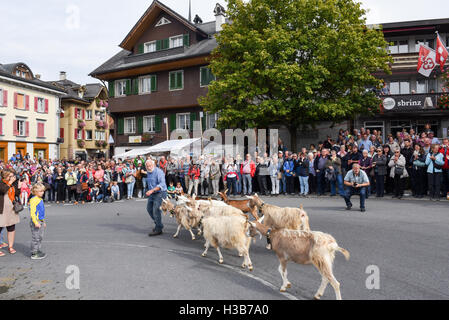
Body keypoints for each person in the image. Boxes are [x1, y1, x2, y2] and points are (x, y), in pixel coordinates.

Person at [0, 169, 20, 256]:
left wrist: (18, 186)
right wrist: (10, 182)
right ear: (6, 176)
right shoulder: (1, 183)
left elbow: (16, 194)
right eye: (11, 176)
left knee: (11, 227)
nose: (13, 177)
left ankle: (11, 246)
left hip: (11, 208)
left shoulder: (12, 184)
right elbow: (3, 190)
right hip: (2, 209)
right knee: (0, 227)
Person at [145, 159, 167, 236]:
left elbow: (162, 184)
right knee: (149, 209)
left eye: (150, 165)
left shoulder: (159, 172)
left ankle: (158, 229)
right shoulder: (148, 172)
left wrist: (151, 190)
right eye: (147, 166)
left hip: (160, 192)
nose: (149, 167)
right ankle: (159, 224)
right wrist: (149, 191)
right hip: (152, 193)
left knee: (156, 210)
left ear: (153, 165)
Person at [29, 183, 47, 260]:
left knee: (40, 237)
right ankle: (34, 252)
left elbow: (41, 212)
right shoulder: (33, 200)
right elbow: (32, 213)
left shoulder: (40, 199)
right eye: (40, 191)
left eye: (43, 191)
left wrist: (43, 221)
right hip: (35, 222)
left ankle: (38, 250)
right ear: (35, 191)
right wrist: (35, 222)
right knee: (35, 237)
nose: (42, 192)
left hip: (41, 221)